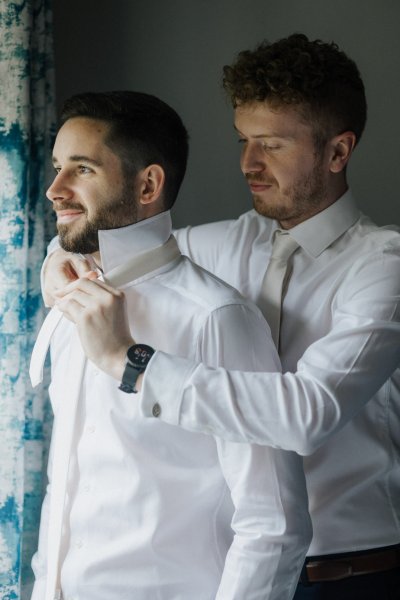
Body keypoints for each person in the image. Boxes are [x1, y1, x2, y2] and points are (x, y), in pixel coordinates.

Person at [42, 35, 400, 599]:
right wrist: (58, 260)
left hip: (350, 574)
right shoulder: (225, 244)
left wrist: (130, 362)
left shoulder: (384, 267)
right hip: (233, 568)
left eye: (273, 145)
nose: (248, 163)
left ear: (337, 152)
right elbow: (120, 239)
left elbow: (309, 414)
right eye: (243, 140)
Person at [30, 90, 311, 600]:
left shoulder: (217, 318)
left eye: (82, 169)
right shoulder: (70, 295)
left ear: (148, 185)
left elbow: (274, 521)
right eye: (56, 168)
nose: (54, 189)